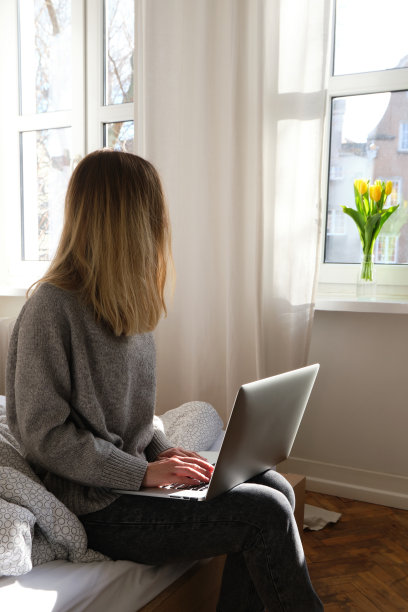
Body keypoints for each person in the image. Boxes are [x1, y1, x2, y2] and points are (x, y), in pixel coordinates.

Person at [6, 149, 323, 611]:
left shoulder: (130, 306)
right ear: (128, 220)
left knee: (277, 487)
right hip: (93, 504)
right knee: (264, 513)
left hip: (125, 485)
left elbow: (133, 420)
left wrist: (160, 451)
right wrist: (142, 472)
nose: (162, 227)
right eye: (154, 213)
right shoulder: (50, 309)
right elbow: (44, 436)